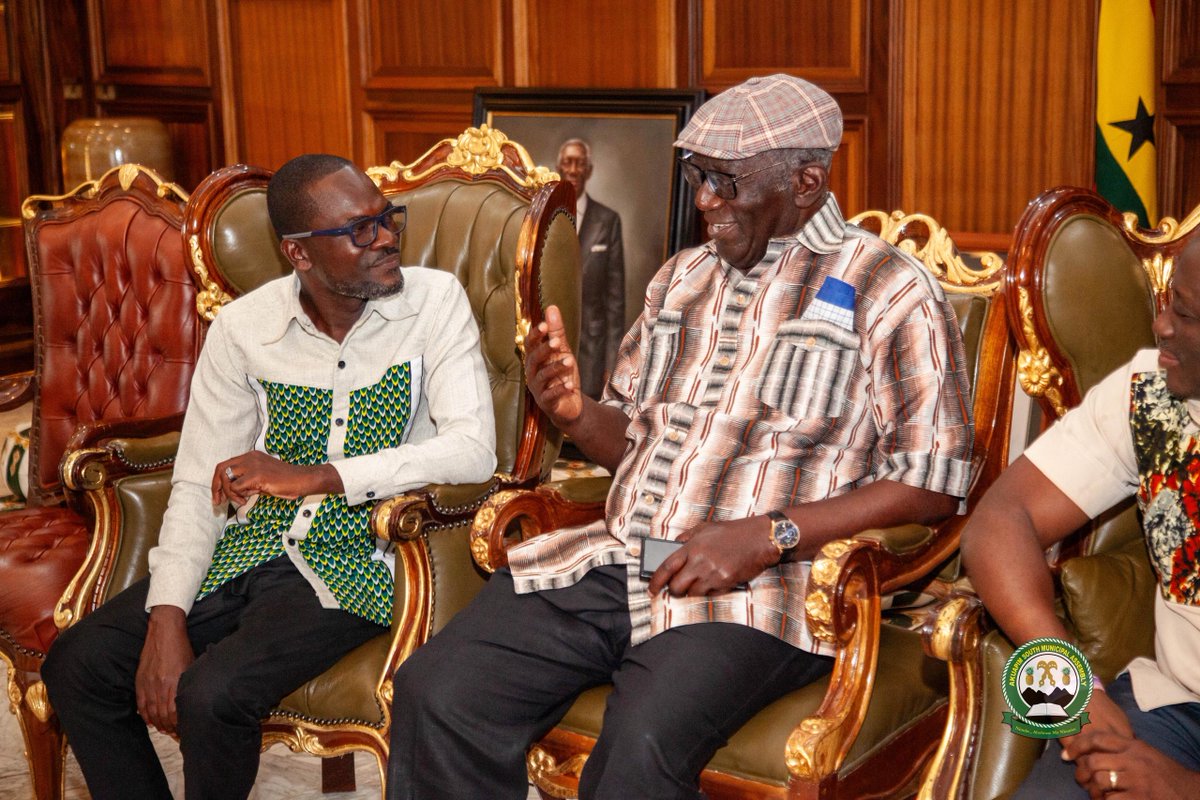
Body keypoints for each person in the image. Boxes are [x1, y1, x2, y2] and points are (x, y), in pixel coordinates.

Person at [388, 73, 974, 800]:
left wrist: (769, 534)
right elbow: (630, 440)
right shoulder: (680, 278)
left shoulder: (892, 290)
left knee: (638, 751)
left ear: (807, 181)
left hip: (766, 586)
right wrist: (574, 415)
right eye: (698, 178)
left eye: (726, 182)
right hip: (622, 554)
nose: (703, 201)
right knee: (437, 692)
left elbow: (932, 485)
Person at [41, 154, 496, 800]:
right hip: (250, 549)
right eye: (359, 230)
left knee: (213, 693)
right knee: (78, 664)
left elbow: (473, 450)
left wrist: (318, 477)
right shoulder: (244, 329)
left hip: (360, 565)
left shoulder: (433, 304)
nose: (387, 238)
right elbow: (200, 480)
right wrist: (166, 620)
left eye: (386, 219)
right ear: (299, 254)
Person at [961, 236, 1200, 800]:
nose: (1161, 326)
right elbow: (1000, 520)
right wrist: (1069, 690)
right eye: (1168, 303)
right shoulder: (1152, 393)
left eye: (1185, 315)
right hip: (1175, 709)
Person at [557, 137, 626, 400]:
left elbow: (615, 301)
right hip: (549, 342)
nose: (573, 170)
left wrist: (614, 362)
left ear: (589, 170)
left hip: (592, 350)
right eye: (568, 162)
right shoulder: (543, 215)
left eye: (580, 163)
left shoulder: (607, 221)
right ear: (559, 167)